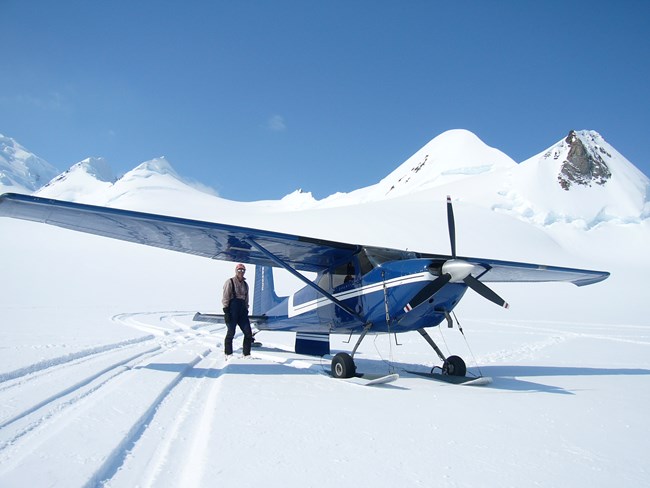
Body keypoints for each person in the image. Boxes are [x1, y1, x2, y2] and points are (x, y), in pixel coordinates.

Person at [222, 263, 253, 359]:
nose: (241, 272)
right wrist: (226, 310)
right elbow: (225, 296)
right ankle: (228, 353)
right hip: (232, 309)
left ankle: (246, 354)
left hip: (242, 310)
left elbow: (246, 298)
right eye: (239, 270)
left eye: (243, 270)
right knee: (231, 331)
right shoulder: (230, 282)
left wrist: (246, 308)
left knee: (248, 332)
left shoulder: (245, 284)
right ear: (236, 271)